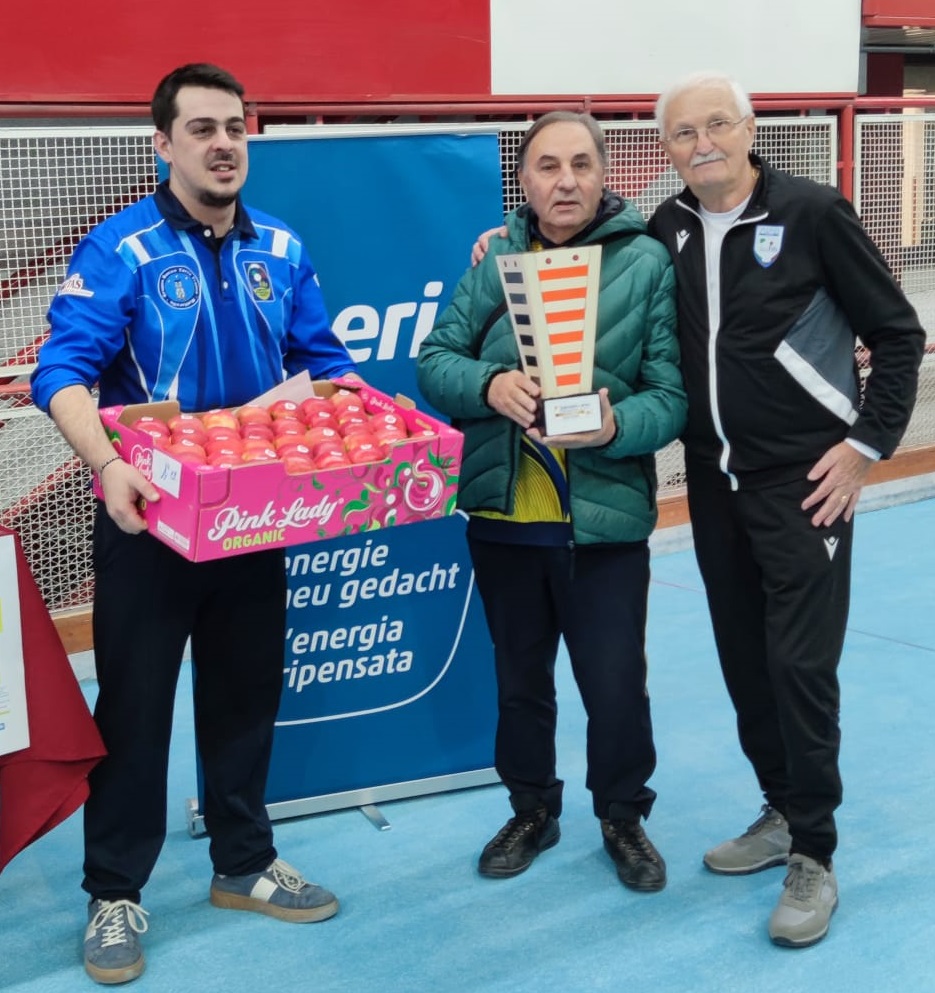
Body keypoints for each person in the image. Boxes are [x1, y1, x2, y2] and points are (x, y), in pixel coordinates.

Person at [30, 63, 358, 985]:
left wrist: (365, 428)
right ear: (163, 144)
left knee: (246, 694)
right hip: (149, 521)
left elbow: (323, 362)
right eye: (202, 129)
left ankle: (243, 861)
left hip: (255, 517)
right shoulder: (120, 249)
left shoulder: (282, 247)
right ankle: (113, 891)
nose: (223, 145)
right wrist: (109, 466)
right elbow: (61, 374)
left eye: (235, 128)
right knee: (134, 708)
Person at [647, 71, 924, 946]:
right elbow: (592, 257)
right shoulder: (666, 226)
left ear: (748, 127)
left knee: (799, 666)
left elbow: (898, 333)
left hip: (803, 484)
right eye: (683, 132)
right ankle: (778, 806)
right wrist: (500, 242)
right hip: (710, 482)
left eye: (716, 124)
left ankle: (813, 851)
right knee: (743, 661)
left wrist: (864, 444)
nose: (702, 143)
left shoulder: (812, 213)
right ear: (667, 149)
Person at [416, 111, 687, 893]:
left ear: (603, 174)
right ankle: (531, 807)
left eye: (579, 164)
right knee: (518, 683)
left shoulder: (644, 261)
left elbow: (670, 396)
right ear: (523, 180)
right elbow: (434, 361)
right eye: (546, 166)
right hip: (505, 521)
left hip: (602, 526)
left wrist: (615, 424)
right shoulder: (495, 259)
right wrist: (487, 384)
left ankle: (622, 815)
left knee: (614, 685)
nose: (564, 180)